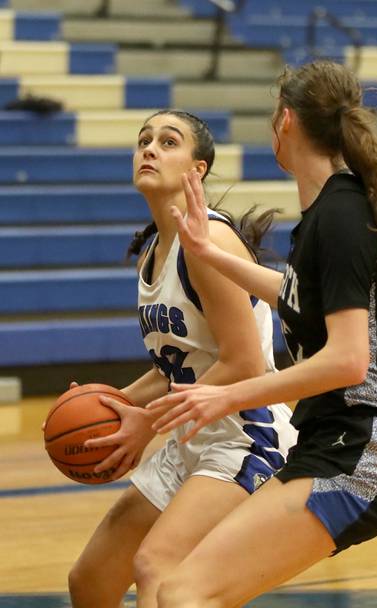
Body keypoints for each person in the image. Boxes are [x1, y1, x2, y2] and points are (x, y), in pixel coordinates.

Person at [143, 60, 377, 606]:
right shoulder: (326, 211)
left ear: (285, 121)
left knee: (184, 593)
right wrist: (209, 252)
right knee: (178, 589)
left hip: (364, 446)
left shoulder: (339, 214)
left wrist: (226, 395)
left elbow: (347, 360)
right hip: (333, 440)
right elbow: (292, 293)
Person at [67, 110, 297, 607]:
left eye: (168, 142)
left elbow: (243, 363)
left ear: (199, 170)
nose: (149, 148)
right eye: (143, 140)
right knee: (91, 579)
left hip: (246, 435)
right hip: (195, 434)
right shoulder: (155, 247)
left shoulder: (207, 241)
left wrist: (147, 424)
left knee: (157, 568)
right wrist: (108, 403)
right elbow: (176, 363)